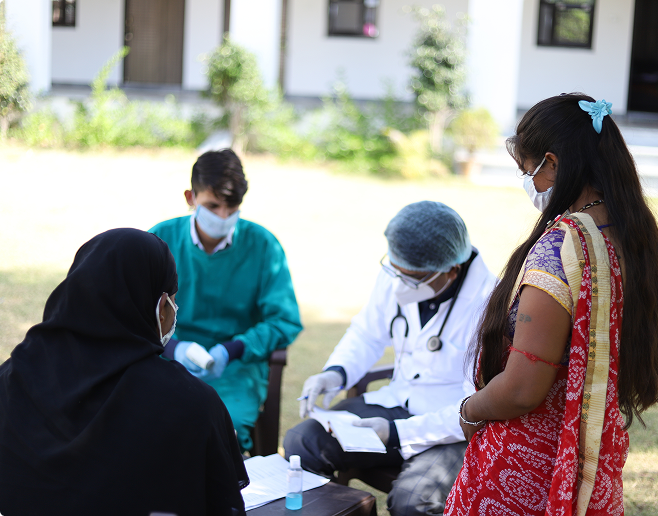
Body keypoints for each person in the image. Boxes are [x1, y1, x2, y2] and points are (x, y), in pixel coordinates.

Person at [444, 94, 658, 515]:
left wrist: (469, 411)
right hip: (592, 454)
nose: (529, 183)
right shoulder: (634, 236)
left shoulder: (563, 249)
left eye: (527, 170)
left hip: (532, 464)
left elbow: (522, 389)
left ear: (551, 163)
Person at [0, 228, 248, 516]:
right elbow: (223, 503)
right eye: (173, 300)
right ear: (161, 307)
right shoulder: (192, 403)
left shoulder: (11, 378)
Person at [284, 201, 498, 516]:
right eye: (395, 271)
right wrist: (335, 373)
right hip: (396, 403)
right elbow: (367, 333)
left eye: (410, 278)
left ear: (450, 271)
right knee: (303, 442)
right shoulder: (402, 270)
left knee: (415, 501)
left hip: (451, 427)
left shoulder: (490, 303)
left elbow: (475, 405)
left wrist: (396, 433)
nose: (398, 284)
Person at [149, 149, 302, 452]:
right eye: (213, 205)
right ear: (190, 197)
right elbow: (133, 312)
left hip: (237, 369)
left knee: (220, 431)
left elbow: (284, 320)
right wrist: (173, 347)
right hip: (163, 361)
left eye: (232, 207)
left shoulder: (263, 245)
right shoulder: (159, 240)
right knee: (149, 423)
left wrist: (233, 350)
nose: (222, 216)